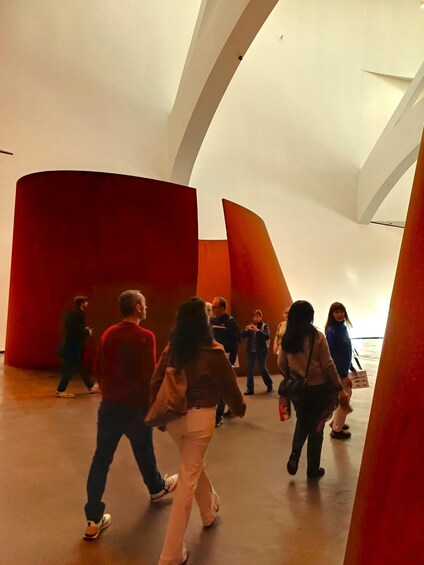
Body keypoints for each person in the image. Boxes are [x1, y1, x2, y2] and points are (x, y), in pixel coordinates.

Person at [151, 297, 246, 565]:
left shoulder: (172, 348)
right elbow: (230, 388)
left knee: (192, 466)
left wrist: (158, 416)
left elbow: (156, 381)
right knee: (188, 479)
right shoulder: (213, 351)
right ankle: (171, 553)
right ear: (204, 321)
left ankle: (208, 510)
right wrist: (239, 409)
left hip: (174, 418)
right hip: (200, 420)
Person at [83, 290, 178, 541]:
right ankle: (156, 488)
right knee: (144, 449)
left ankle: (93, 519)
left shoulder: (108, 334)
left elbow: (99, 367)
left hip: (110, 407)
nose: (146, 307)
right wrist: (155, 411)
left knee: (101, 459)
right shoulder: (146, 337)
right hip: (135, 408)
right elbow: (150, 377)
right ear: (137, 307)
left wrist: (108, 391)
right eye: (144, 303)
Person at [278, 300, 346, 478]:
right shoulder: (317, 337)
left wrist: (293, 376)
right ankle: (313, 468)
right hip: (318, 389)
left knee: (302, 420)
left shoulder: (287, 337)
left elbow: (281, 363)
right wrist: (338, 386)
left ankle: (295, 453)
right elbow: (328, 365)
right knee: (317, 426)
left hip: (298, 389)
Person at [56, 295, 99, 398]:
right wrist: (87, 332)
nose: (87, 304)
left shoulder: (75, 314)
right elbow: (75, 330)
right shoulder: (77, 315)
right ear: (82, 304)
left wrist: (84, 330)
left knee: (80, 366)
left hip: (74, 346)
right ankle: (60, 390)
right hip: (73, 346)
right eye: (86, 302)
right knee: (71, 368)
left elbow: (72, 328)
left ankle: (90, 386)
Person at [325, 302, 356, 440]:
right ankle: (336, 430)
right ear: (332, 314)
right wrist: (344, 375)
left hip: (344, 369)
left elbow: (346, 350)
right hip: (339, 371)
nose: (339, 314)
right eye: (336, 312)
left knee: (345, 396)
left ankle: (336, 422)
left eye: (341, 311)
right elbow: (334, 357)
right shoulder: (332, 332)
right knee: (344, 398)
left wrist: (351, 367)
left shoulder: (342, 328)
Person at [210, 296, 241, 426]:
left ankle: (218, 416)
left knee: (222, 387)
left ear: (222, 308)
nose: (212, 309)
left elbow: (235, 342)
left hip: (226, 356)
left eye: (214, 307)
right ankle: (231, 407)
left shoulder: (230, 322)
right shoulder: (212, 321)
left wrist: (231, 360)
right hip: (214, 356)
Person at [241, 309, 273, 395]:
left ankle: (269, 383)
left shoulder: (264, 326)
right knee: (249, 369)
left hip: (261, 350)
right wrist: (246, 330)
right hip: (251, 350)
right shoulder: (250, 326)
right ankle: (250, 389)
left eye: (257, 317)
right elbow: (243, 336)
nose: (256, 319)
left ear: (261, 317)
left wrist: (258, 330)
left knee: (262, 368)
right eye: (254, 317)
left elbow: (266, 336)